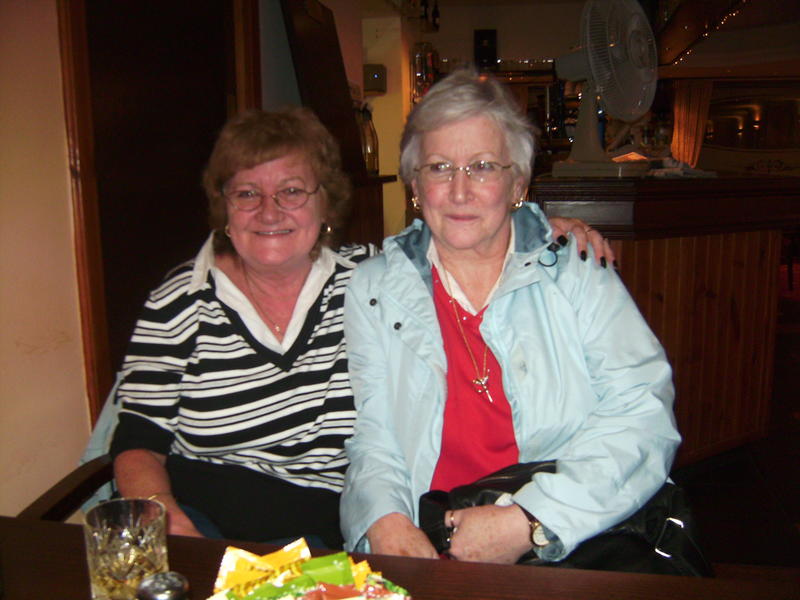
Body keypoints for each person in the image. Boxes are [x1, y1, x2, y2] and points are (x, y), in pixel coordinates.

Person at [101, 105, 609, 547]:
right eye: (247, 193)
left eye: (292, 191)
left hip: (329, 539)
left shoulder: (372, 281)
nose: (269, 212)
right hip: (201, 525)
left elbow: (468, 241)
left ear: (325, 203)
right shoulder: (180, 298)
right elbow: (138, 438)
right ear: (224, 207)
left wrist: (542, 231)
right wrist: (165, 516)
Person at [340, 69, 681, 564]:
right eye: (439, 167)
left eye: (482, 167)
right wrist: (384, 520)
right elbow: (375, 435)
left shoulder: (575, 269)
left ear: (517, 182)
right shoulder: (373, 288)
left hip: (567, 536)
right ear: (415, 184)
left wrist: (533, 521)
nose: (459, 191)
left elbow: (642, 413)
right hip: (431, 535)